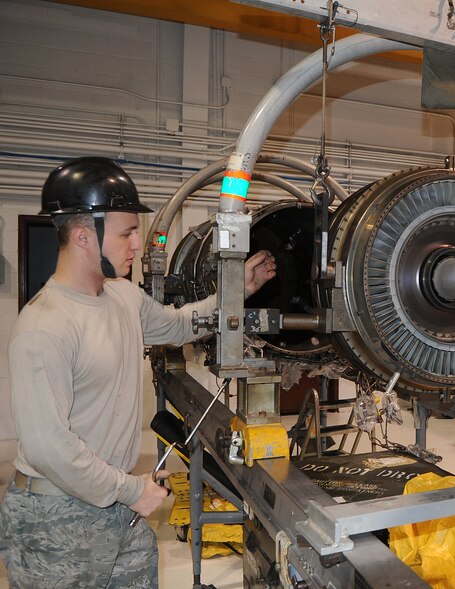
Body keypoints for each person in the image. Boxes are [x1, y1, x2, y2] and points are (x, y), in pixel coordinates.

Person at [0, 157, 277, 588]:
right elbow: (49, 450)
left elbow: (178, 325)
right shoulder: (45, 326)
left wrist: (236, 289)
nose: (137, 244)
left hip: (115, 504)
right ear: (83, 236)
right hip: (56, 518)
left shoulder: (123, 297)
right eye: (126, 232)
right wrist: (132, 490)